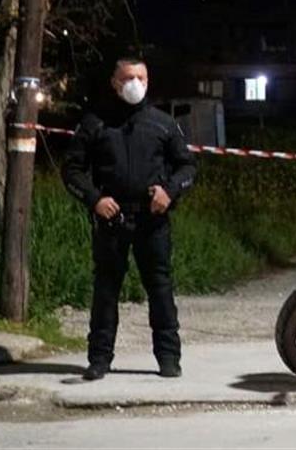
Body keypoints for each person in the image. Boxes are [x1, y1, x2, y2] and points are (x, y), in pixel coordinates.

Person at [62, 57, 197, 380]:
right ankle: (99, 360)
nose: (134, 84)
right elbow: (72, 169)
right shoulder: (95, 123)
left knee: (160, 288)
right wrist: (94, 199)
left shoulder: (163, 123)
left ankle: (169, 358)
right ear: (114, 82)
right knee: (106, 290)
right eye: (127, 78)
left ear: (148, 81)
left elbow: (188, 166)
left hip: (152, 220)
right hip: (112, 221)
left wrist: (170, 192)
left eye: (140, 77)